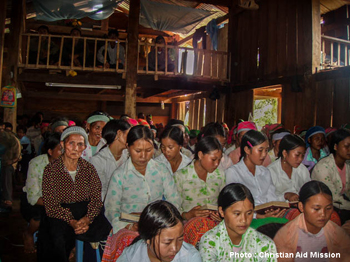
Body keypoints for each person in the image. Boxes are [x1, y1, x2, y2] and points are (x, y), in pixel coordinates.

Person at [102, 125, 181, 262]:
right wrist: (127, 225)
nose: (143, 156)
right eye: (138, 150)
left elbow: (174, 201)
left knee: (171, 242)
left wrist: (165, 221)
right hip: (130, 227)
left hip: (160, 224)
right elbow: (111, 210)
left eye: (149, 150)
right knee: (132, 242)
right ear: (128, 147)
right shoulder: (120, 175)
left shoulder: (161, 170)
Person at [38, 126, 111, 262]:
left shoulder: (88, 169)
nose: (75, 148)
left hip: (85, 211)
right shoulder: (51, 170)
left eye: (80, 144)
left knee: (106, 229)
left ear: (84, 147)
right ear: (62, 144)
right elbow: (51, 205)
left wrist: (87, 219)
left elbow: (96, 199)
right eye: (71, 143)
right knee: (55, 237)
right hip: (60, 213)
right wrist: (72, 221)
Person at [274, 181, 350, 261]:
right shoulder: (287, 236)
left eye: (328, 208)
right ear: (301, 207)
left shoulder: (337, 233)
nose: (323, 214)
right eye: (316, 209)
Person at [199, 183, 277, 261]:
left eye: (249, 213)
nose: (243, 220)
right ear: (222, 211)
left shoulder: (265, 244)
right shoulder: (210, 241)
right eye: (237, 214)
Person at [174, 136, 225, 246]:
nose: (217, 164)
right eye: (213, 159)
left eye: (219, 160)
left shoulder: (220, 174)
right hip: (189, 224)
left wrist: (220, 215)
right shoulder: (181, 177)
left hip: (215, 223)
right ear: (201, 155)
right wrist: (188, 215)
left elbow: (224, 202)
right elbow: (173, 208)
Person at [225, 130, 285, 218]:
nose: (264, 155)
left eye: (266, 150)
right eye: (260, 150)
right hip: (246, 219)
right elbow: (233, 205)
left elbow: (272, 198)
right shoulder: (233, 172)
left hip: (266, 215)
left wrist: (275, 210)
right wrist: (257, 216)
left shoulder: (265, 172)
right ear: (247, 150)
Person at [117, 200, 202, 262]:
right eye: (167, 242)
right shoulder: (130, 256)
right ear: (148, 238)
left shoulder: (190, 257)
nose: (175, 248)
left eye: (180, 239)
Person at [21, 132, 62, 253]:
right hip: (37, 200)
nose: (65, 153)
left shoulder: (70, 164)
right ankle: (28, 233)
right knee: (38, 217)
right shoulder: (36, 164)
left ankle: (68, 246)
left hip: (58, 201)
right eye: (61, 150)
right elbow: (33, 196)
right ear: (50, 151)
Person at [312, 129, 350, 224]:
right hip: (325, 206)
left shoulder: (348, 166)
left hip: (343, 206)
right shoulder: (323, 167)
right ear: (336, 147)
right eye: (346, 146)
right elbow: (333, 198)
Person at [91, 120, 131, 201]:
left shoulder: (127, 155)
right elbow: (100, 192)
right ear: (119, 134)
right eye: (129, 135)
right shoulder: (98, 161)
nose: (132, 138)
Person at [268, 134, 310, 202]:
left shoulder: (302, 169)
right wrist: (285, 196)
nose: (300, 159)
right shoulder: (271, 171)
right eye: (297, 155)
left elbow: (309, 191)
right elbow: (267, 199)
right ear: (285, 153)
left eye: (302, 155)